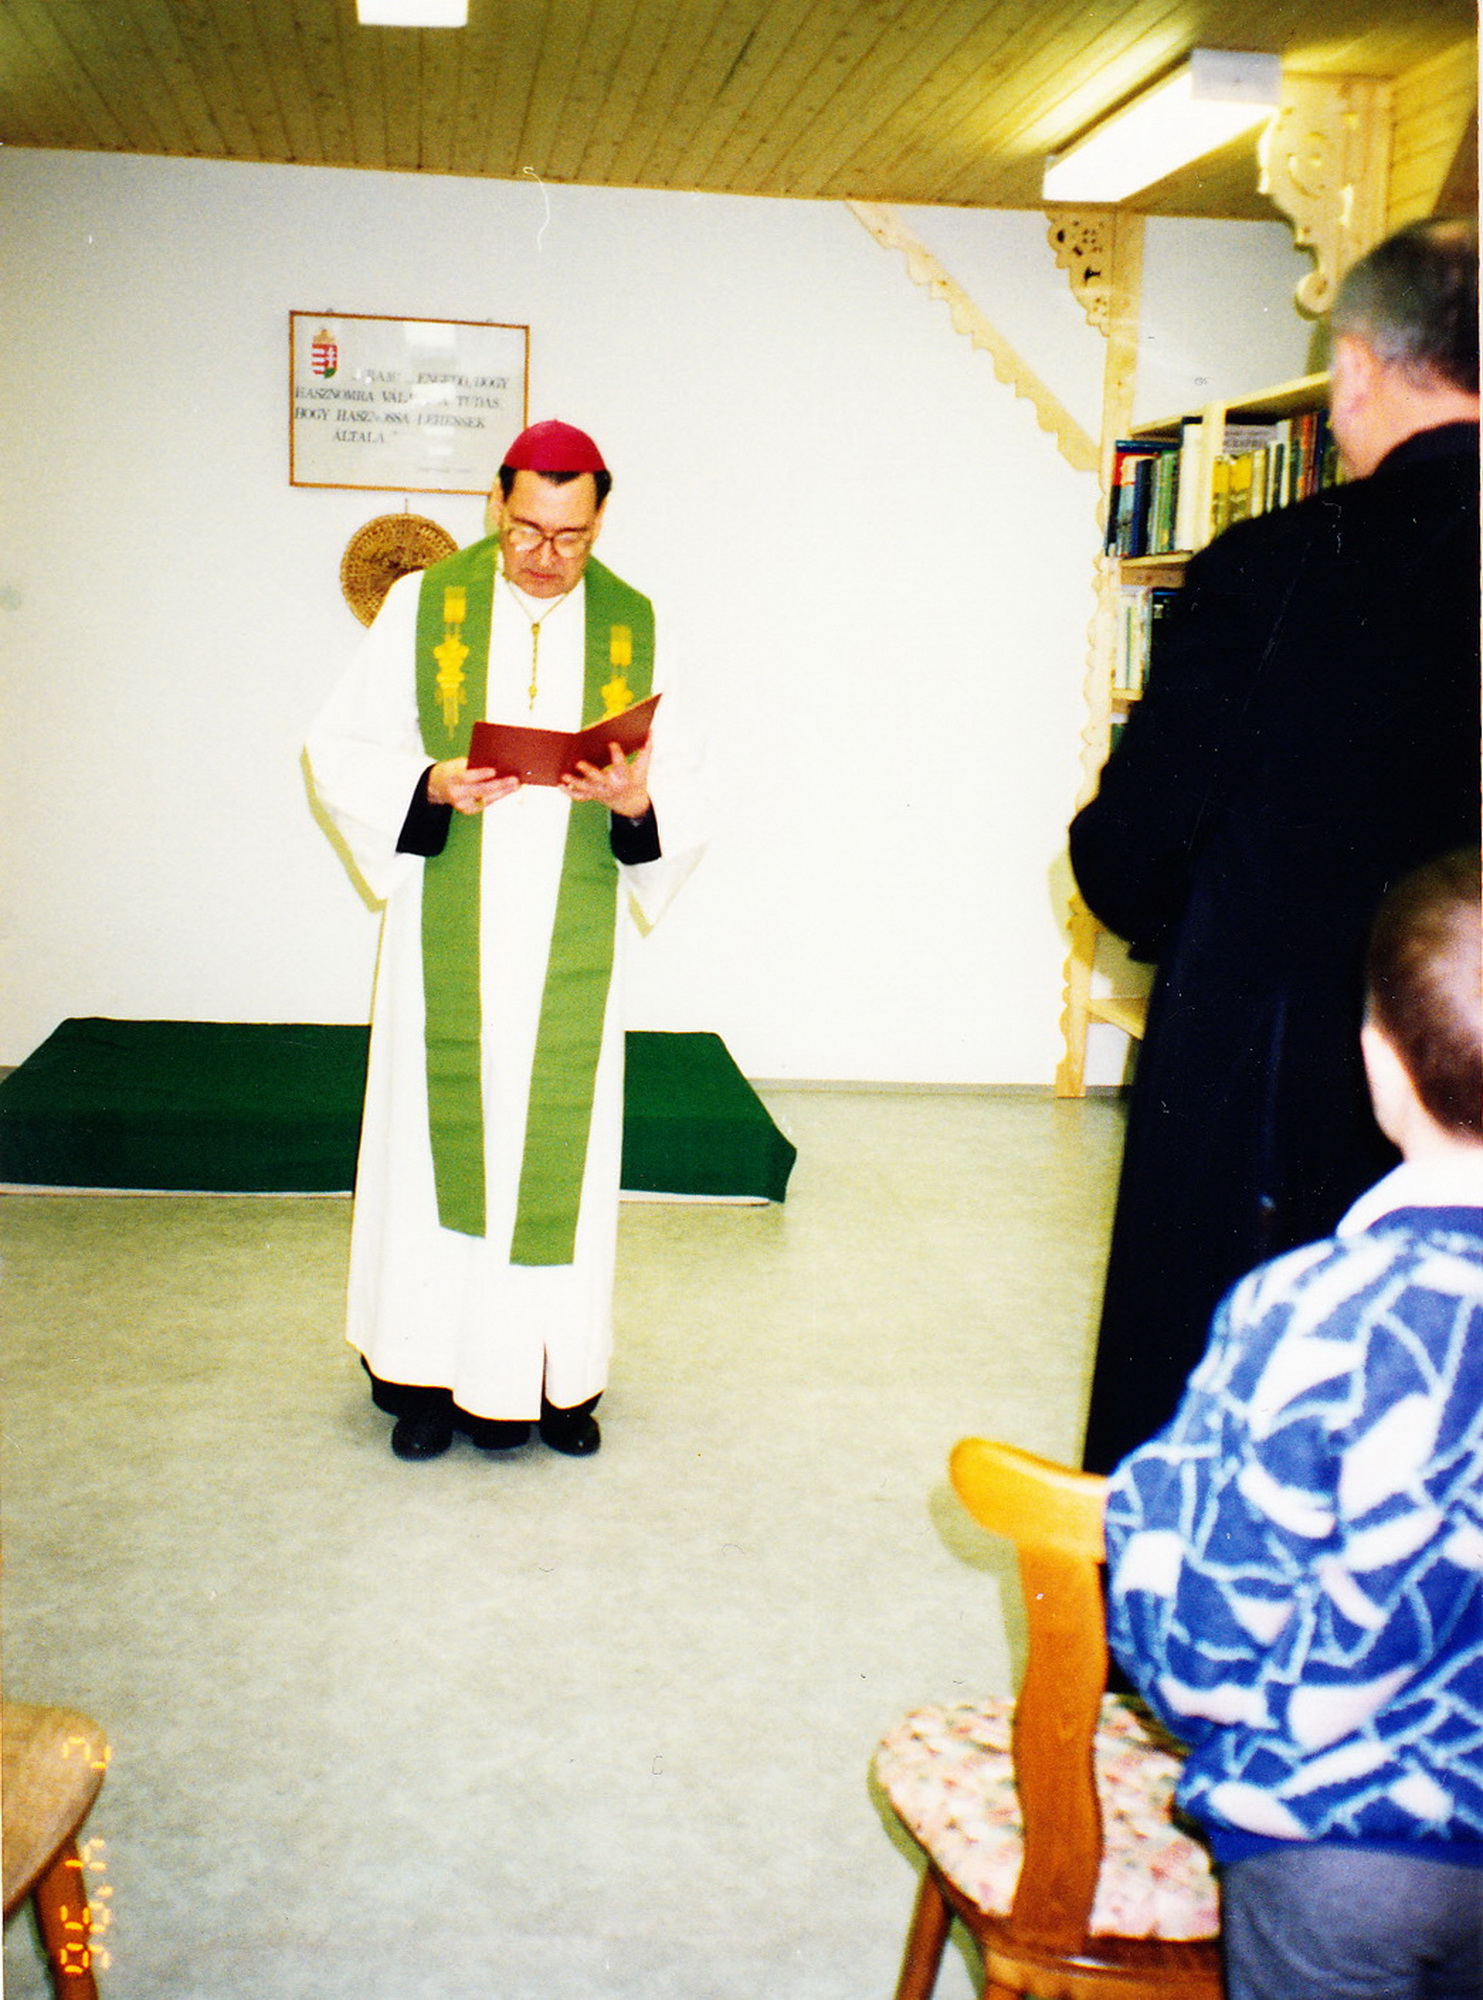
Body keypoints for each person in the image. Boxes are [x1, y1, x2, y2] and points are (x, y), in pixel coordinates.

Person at [1071, 219, 1481, 1473]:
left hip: (1277, 1086)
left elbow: (1130, 850)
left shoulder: (1276, 567)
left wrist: (1217, 931)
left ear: (1353, 368)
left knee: (1221, 1420)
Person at [1105, 848, 1483, 2000]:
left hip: (1342, 1859)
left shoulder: (1308, 1310)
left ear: (1379, 1057)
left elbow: (1200, 1657)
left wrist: (1141, 1510)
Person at [307, 420, 704, 1461]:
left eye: (569, 536)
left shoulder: (638, 624)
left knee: (554, 1154)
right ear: (495, 501)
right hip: (448, 924)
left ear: (601, 519)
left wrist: (635, 803)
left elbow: (690, 782)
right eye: (526, 528)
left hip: (570, 941)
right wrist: (428, 783)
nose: (543, 554)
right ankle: (422, 1378)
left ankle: (556, 1380)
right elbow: (338, 746)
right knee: (433, 1150)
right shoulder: (422, 604)